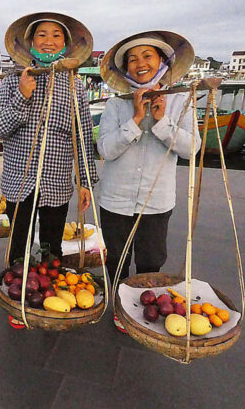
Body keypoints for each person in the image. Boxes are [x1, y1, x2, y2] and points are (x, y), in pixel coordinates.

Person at [0, 12, 98, 328]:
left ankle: (47, 296)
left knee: (52, 245)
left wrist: (86, 182)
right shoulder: (14, 80)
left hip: (56, 180)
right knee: (19, 244)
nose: (49, 41)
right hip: (18, 178)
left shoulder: (76, 86)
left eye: (56, 36)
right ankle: (18, 299)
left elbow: (82, 136)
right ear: (30, 41)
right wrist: (23, 96)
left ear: (65, 44)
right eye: (42, 35)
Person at [97, 31, 200, 332]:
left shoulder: (180, 100)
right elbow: (105, 149)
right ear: (125, 68)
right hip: (116, 198)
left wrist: (161, 122)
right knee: (115, 258)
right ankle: (119, 305)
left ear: (162, 61)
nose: (140, 63)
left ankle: (141, 308)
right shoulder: (117, 105)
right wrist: (135, 119)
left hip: (156, 202)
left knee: (151, 260)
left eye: (147, 56)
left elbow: (191, 148)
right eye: (132, 59)